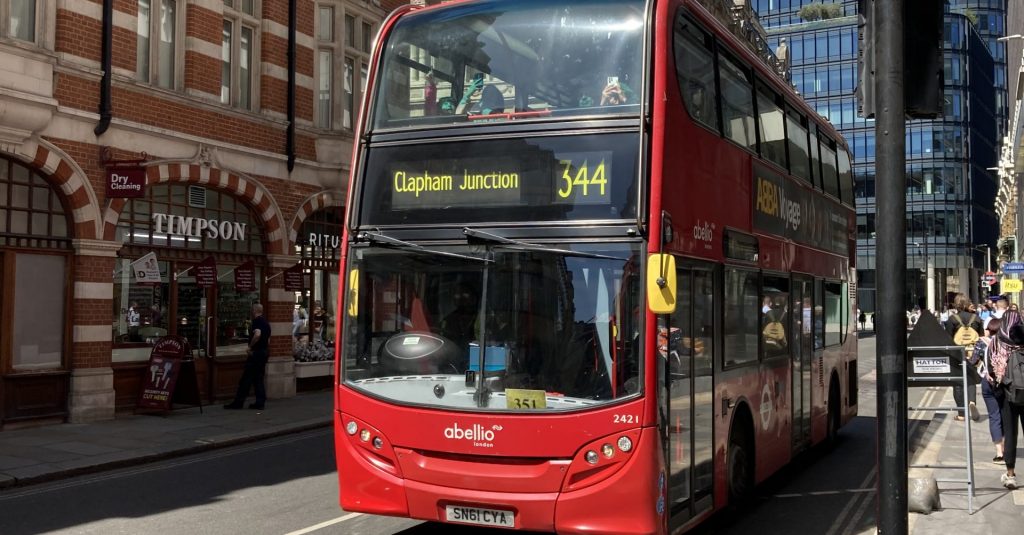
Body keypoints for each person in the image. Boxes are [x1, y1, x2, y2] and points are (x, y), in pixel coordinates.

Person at [989, 309, 1024, 489]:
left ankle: (1010, 475)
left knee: (1010, 435)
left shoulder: (997, 342)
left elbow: (990, 371)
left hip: (1008, 395)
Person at [224, 303, 271, 410]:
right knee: (258, 379)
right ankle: (260, 403)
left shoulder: (257, 322)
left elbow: (257, 334)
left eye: (252, 310)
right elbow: (268, 340)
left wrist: (250, 347)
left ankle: (238, 402)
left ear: (254, 311)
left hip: (255, 355)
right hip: (263, 353)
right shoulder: (266, 323)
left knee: (246, 379)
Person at [972, 317, 1005, 464]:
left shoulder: (982, 342)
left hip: (988, 381)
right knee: (1007, 415)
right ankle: (1008, 447)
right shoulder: (1009, 343)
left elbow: (973, 361)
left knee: (994, 415)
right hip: (1006, 382)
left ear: (989, 329)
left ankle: (999, 452)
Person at [945, 293, 981, 421]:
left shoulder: (952, 319)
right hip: (973, 353)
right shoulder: (976, 318)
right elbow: (980, 336)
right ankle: (972, 402)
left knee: (958, 382)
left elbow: (948, 338)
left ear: (956, 304)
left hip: (957, 353)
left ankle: (961, 413)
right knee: (971, 379)